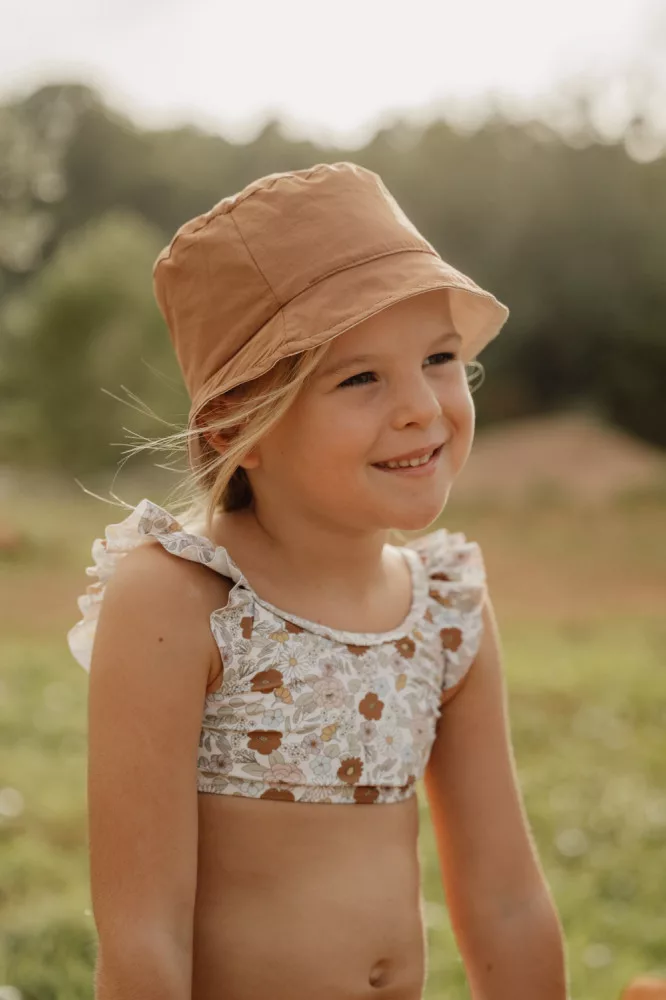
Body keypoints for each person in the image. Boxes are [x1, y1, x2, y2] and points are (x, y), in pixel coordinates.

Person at [67, 161, 568, 1000]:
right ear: (236, 425)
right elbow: (145, 938)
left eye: (439, 357)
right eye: (360, 376)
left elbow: (506, 902)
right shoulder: (181, 600)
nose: (421, 406)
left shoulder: (446, 607)